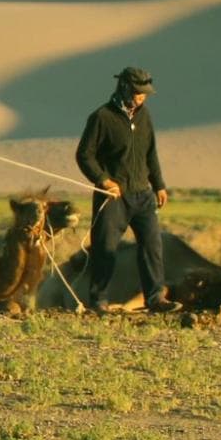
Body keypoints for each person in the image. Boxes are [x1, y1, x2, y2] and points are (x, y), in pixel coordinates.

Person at [75, 66, 180, 314]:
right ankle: (98, 301)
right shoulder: (101, 117)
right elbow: (84, 155)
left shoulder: (145, 116)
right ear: (124, 88)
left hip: (143, 194)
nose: (142, 97)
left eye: (145, 93)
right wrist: (103, 180)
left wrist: (160, 185)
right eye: (138, 93)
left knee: (152, 244)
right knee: (106, 248)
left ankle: (155, 299)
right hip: (113, 197)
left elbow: (150, 153)